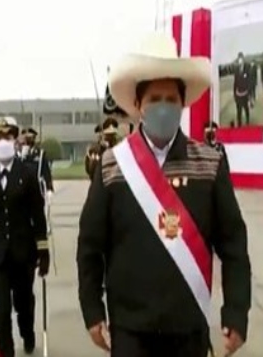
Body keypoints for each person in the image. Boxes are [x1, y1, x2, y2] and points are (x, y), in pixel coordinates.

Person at [77, 32, 251, 357]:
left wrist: (237, 311)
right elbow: (90, 245)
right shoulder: (113, 166)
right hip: (129, 330)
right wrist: (92, 309)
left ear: (183, 104)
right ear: (138, 105)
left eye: (171, 99)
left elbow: (233, 244)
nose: (163, 107)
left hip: (188, 329)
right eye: (155, 98)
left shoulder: (209, 164)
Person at [0, 116, 50, 357]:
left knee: (23, 304)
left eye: (7, 137)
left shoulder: (27, 174)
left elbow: (38, 216)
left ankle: (27, 333)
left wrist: (43, 251)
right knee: (0, 310)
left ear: (15, 140)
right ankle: (6, 352)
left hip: (22, 253)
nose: (2, 142)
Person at [19, 126, 54, 199]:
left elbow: (46, 172)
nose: (27, 141)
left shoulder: (40, 154)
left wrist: (49, 188)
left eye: (29, 138)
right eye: (26, 138)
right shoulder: (18, 155)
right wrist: (22, 157)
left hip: (37, 190)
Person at [233, 53, 252, 126]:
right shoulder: (236, 69)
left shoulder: (247, 67)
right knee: (238, 110)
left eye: (241, 58)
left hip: (245, 93)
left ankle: (247, 119)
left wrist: (249, 92)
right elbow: (235, 82)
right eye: (239, 58)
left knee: (246, 107)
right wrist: (234, 93)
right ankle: (239, 123)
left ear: (243, 59)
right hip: (238, 93)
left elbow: (249, 81)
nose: (240, 60)